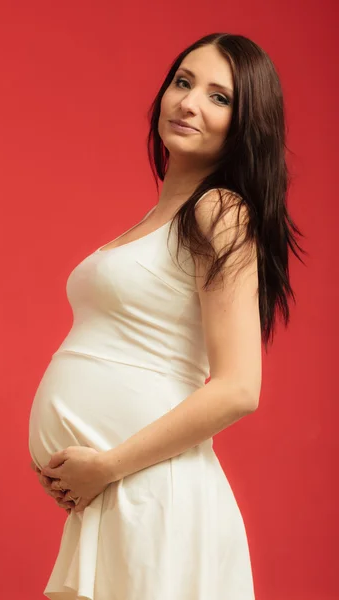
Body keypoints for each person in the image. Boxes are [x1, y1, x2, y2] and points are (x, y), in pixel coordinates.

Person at [28, 32, 306, 600]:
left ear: (246, 123)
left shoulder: (219, 208)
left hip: (153, 495)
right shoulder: (159, 218)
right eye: (182, 82)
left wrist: (106, 465)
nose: (188, 103)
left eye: (218, 97)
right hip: (124, 496)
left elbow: (237, 388)